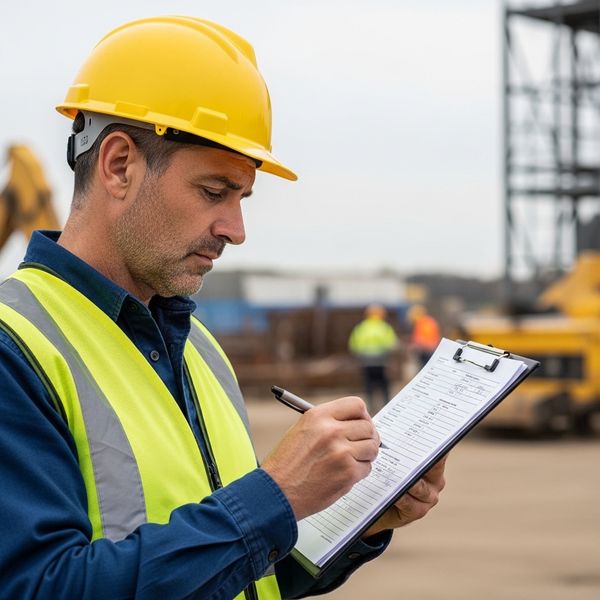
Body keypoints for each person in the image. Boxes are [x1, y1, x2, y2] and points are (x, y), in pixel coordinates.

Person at [0, 17, 446, 599]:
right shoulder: (16, 349)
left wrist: (355, 516)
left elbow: (237, 576)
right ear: (118, 165)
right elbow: (41, 588)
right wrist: (274, 496)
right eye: (214, 192)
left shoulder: (201, 351)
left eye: (242, 198)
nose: (235, 230)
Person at [348, 304, 398, 412]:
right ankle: (386, 405)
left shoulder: (361, 328)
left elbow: (353, 345)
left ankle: (371, 407)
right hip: (381, 361)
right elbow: (392, 344)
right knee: (383, 384)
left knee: (368, 384)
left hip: (366, 361)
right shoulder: (384, 327)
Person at [407, 304, 442, 368]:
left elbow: (419, 340)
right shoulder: (430, 321)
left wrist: (414, 346)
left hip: (427, 352)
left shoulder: (422, 323)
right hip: (431, 350)